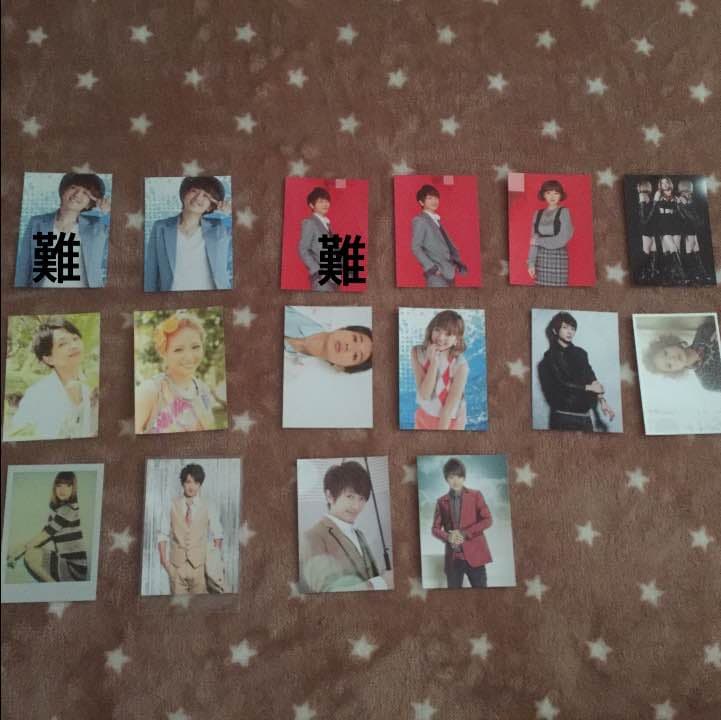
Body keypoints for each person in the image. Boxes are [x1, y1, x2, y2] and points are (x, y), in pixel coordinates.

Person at [299, 461, 392, 593]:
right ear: (330, 496)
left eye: (361, 498)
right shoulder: (313, 537)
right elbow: (326, 592)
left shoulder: (359, 534)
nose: (356, 506)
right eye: (350, 496)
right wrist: (380, 583)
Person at [5, 317, 95, 440]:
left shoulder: (91, 387)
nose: (74, 346)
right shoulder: (36, 395)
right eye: (62, 344)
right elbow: (18, 436)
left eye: (75, 338)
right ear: (48, 358)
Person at [15, 172, 111, 288]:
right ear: (63, 191)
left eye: (85, 192)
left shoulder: (97, 225)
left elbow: (123, 237)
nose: (77, 194)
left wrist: (108, 211)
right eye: (73, 187)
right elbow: (23, 266)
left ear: (90, 203)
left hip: (85, 296)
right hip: (43, 294)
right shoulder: (37, 222)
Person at [135, 311, 219, 434]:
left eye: (195, 347)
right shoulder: (150, 391)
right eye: (178, 350)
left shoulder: (203, 391)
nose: (189, 357)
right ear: (164, 353)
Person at [144, 176, 232, 292]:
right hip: (172, 299)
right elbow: (151, 273)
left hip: (214, 298)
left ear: (211, 206)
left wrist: (231, 211)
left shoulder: (220, 228)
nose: (198, 197)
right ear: (184, 195)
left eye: (206, 195)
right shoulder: (160, 227)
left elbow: (249, 233)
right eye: (194, 191)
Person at [537, 312, 616, 431]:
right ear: (555, 330)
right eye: (565, 327)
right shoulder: (549, 357)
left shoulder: (581, 353)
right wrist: (589, 388)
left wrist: (602, 401)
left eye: (573, 329)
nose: (570, 332)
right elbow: (561, 383)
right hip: (563, 416)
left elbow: (591, 376)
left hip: (585, 416)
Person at [6, 471, 88, 583]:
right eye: (59, 485)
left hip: (75, 569)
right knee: (32, 551)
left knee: (31, 555)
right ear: (54, 488)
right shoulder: (58, 512)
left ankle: (56, 590)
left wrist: (20, 550)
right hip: (66, 564)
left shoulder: (69, 509)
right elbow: (43, 535)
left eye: (68, 485)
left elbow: (45, 535)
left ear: (73, 488)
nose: (62, 490)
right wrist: (20, 547)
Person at [157, 464, 224, 595]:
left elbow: (218, 534)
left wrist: (213, 561)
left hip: (199, 568)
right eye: (188, 482)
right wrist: (164, 561)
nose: (191, 486)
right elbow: (162, 534)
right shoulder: (171, 504)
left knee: (200, 606)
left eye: (196, 482)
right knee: (178, 606)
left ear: (200, 485)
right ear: (183, 483)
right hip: (176, 568)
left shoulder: (208, 505)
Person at [431, 458, 492, 589]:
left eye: (459, 476)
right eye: (451, 477)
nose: (456, 481)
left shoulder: (476, 495)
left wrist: (464, 533)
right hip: (453, 560)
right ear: (446, 479)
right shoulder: (441, 501)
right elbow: (435, 529)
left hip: (475, 557)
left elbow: (487, 520)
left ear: (464, 477)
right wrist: (448, 536)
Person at [411, 310, 468, 430]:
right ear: (431, 330)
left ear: (456, 340)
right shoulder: (417, 352)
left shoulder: (461, 366)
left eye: (448, 334)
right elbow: (425, 394)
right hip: (424, 416)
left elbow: (448, 410)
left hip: (450, 421)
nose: (441, 338)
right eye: (437, 330)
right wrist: (434, 363)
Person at [284, 306, 372, 373]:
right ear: (342, 329)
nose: (349, 346)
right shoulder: (313, 307)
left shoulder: (292, 373)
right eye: (355, 339)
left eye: (355, 356)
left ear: (341, 367)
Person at [642, 316, 721, 391]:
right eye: (669, 365)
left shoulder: (703, 332)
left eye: (666, 353)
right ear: (674, 371)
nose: (672, 359)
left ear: (670, 344)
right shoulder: (708, 381)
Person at [411, 184, 467, 287]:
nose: (434, 201)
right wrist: (432, 268)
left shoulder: (436, 220)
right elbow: (416, 247)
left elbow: (445, 246)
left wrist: (456, 263)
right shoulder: (420, 220)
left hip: (449, 272)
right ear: (421, 202)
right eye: (430, 198)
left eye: (436, 197)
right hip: (436, 275)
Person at [638, 176, 685, 285]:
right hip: (663, 226)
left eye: (666, 182)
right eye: (662, 183)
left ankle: (672, 276)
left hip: (676, 226)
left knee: (676, 250)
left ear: (670, 183)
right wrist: (656, 200)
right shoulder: (658, 195)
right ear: (660, 185)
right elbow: (653, 212)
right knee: (671, 249)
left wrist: (680, 205)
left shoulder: (675, 197)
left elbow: (681, 216)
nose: (664, 185)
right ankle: (682, 275)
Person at [527, 179, 574, 286]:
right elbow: (533, 240)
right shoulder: (537, 213)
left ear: (561, 195)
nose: (552, 196)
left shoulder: (564, 212)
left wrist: (538, 241)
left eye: (556, 193)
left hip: (558, 258)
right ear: (543, 195)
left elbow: (562, 239)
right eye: (548, 193)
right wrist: (531, 263)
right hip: (541, 259)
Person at [298, 186, 339, 292]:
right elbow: (303, 249)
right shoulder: (310, 223)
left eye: (327, 201)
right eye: (321, 201)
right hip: (321, 279)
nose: (325, 204)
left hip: (333, 278)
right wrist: (317, 270)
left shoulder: (327, 224)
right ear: (311, 205)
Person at [676, 179, 714, 285]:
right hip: (687, 228)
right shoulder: (681, 199)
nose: (689, 192)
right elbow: (687, 215)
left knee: (695, 250)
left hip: (692, 228)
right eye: (688, 189)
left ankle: (700, 274)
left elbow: (693, 214)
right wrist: (697, 220)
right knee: (690, 250)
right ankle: (692, 275)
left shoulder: (688, 198)